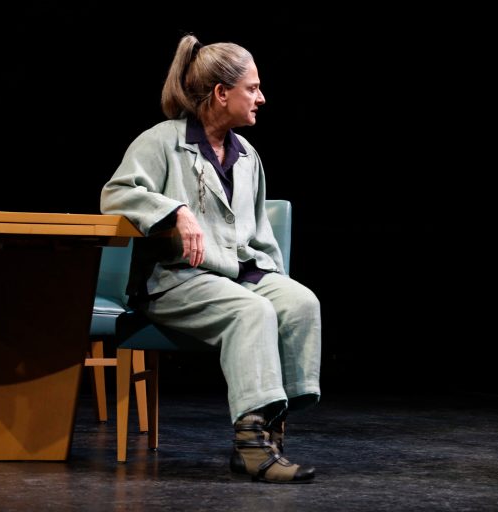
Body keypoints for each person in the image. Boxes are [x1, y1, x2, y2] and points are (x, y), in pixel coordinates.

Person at [100, 34, 321, 484]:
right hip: (176, 281)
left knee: (301, 304)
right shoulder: (162, 141)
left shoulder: (247, 156)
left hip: (238, 273)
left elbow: (256, 233)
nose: (261, 97)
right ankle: (251, 444)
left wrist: (268, 275)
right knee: (252, 311)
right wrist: (174, 212)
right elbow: (116, 195)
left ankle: (271, 429)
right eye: (252, 88)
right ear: (222, 93)